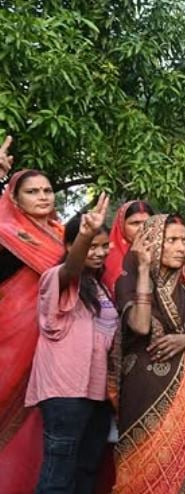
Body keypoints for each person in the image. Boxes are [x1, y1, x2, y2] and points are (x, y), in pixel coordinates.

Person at [25, 196, 113, 493]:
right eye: (92, 246)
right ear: (70, 246)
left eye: (104, 246)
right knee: (58, 474)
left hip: (97, 392)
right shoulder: (58, 278)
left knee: (86, 469)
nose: (99, 253)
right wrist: (86, 234)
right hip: (65, 392)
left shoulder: (101, 287)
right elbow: (70, 270)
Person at [112, 214, 185, 493]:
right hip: (144, 387)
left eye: (183, 241)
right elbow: (140, 325)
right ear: (150, 244)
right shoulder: (127, 281)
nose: (181, 248)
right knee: (141, 462)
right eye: (171, 240)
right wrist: (142, 270)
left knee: (179, 462)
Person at [0, 163, 64, 492]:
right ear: (15, 197)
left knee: (39, 426)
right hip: (8, 340)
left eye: (47, 190)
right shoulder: (5, 233)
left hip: (51, 346)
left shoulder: (62, 235)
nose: (42, 196)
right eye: (32, 191)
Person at [103, 200, 155, 298]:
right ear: (122, 226)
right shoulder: (107, 256)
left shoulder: (163, 252)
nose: (141, 229)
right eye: (135, 223)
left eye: (148, 223)